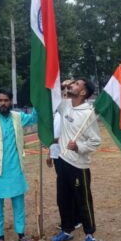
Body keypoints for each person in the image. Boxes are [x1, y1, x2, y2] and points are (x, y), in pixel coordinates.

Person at [0, 88, 37, 241]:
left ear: (11, 102)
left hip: (15, 170)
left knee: (19, 205)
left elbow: (35, 117)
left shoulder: (18, 117)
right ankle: (0, 237)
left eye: (6, 100)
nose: (3, 103)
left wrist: (39, 99)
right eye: (0, 100)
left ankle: (21, 234)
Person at [50, 78, 101, 241]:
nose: (73, 84)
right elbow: (53, 97)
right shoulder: (65, 106)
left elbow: (95, 141)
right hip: (62, 162)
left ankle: (89, 235)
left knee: (83, 201)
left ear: (83, 93)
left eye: (77, 84)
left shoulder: (88, 114)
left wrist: (79, 146)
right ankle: (66, 230)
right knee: (62, 199)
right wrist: (63, 85)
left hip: (79, 165)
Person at [46, 80, 82, 231]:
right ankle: (67, 219)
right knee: (63, 188)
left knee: (73, 188)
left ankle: (76, 219)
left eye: (69, 89)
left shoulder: (75, 111)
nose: (65, 92)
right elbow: (54, 134)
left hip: (70, 154)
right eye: (63, 90)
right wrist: (50, 152)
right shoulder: (59, 110)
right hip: (57, 153)